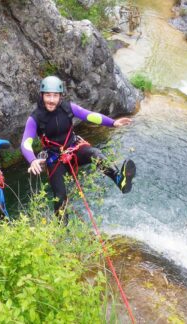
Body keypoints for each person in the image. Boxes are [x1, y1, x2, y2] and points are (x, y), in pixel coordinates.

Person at [20, 76, 135, 223]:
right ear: (42, 95)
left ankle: (120, 180)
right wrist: (32, 160)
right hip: (55, 159)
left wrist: (113, 123)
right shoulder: (35, 118)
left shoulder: (68, 107)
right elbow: (26, 142)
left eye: (55, 95)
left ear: (60, 96)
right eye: (48, 95)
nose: (51, 100)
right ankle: (62, 229)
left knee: (95, 154)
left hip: (74, 148)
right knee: (60, 197)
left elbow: (90, 116)